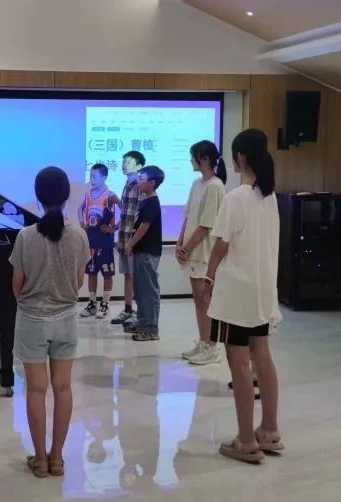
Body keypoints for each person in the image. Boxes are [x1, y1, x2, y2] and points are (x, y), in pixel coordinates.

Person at [205, 129, 282, 464]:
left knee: (239, 364)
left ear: (240, 157)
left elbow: (220, 245)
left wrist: (208, 276)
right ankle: (270, 430)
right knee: (262, 356)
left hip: (236, 294)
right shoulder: (269, 196)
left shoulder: (236, 197)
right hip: (261, 291)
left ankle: (246, 440)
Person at [11, 166, 91, 478]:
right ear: (67, 196)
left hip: (32, 318)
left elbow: (17, 285)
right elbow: (79, 281)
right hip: (66, 318)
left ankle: (40, 460)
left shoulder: (25, 236)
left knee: (35, 390)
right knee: (63, 387)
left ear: (38, 197)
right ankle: (57, 458)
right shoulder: (79, 236)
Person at [176, 141, 226, 365]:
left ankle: (211, 347)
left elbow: (206, 225)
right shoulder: (197, 184)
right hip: (191, 249)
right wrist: (179, 242)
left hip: (204, 252)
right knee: (198, 299)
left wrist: (187, 248)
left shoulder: (215, 186)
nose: (190, 161)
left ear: (204, 159)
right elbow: (188, 216)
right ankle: (203, 342)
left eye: (193, 157)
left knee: (205, 299)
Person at [124, 165, 165, 342]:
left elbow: (144, 226)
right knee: (140, 290)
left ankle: (151, 328)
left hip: (148, 252)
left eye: (141, 179)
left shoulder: (152, 202)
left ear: (152, 183)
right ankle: (142, 322)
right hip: (141, 251)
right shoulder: (146, 201)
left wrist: (130, 244)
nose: (138, 182)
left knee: (149, 291)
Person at [77, 163, 119, 319]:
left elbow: (126, 211)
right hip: (91, 240)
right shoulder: (88, 195)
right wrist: (82, 224)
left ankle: (105, 304)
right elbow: (79, 209)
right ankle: (92, 303)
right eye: (90, 176)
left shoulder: (110, 195)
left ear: (104, 177)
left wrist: (114, 228)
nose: (92, 179)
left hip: (105, 241)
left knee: (107, 273)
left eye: (94, 176)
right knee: (91, 272)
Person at [111, 151, 146, 326]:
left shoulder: (140, 186)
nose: (124, 164)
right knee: (127, 275)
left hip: (134, 240)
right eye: (124, 161)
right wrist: (116, 227)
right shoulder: (126, 185)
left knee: (137, 277)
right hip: (123, 237)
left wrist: (133, 241)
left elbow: (141, 215)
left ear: (139, 166)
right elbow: (126, 212)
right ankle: (127, 310)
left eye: (129, 162)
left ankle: (141, 313)